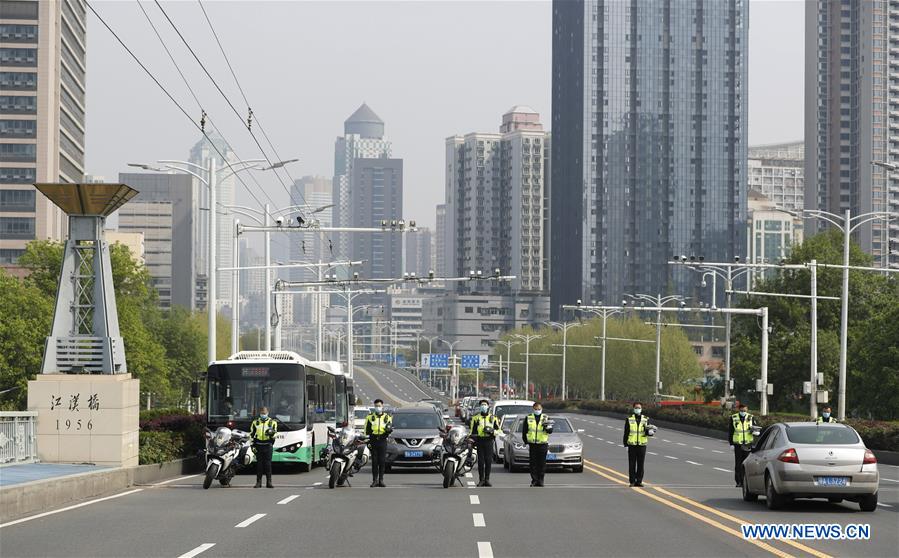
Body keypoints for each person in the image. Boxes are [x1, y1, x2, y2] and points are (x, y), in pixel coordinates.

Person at [521, 402, 553, 487]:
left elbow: (550, 431)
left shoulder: (546, 418)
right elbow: (524, 431)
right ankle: (534, 480)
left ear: (541, 409)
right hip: (532, 444)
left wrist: (547, 427)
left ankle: (541, 480)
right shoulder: (528, 418)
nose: (537, 410)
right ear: (533, 409)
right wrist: (526, 442)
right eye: (536, 409)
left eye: (539, 409)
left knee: (542, 463)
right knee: (533, 464)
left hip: (542, 444)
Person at [469, 399, 500, 487]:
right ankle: (481, 479)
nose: (483, 406)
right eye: (482, 405)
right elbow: (472, 431)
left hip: (489, 441)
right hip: (480, 441)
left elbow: (498, 430)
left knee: (488, 461)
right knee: (481, 461)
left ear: (488, 406)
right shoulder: (476, 418)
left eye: (485, 405)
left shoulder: (493, 418)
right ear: (480, 407)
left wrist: (492, 432)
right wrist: (472, 440)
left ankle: (487, 479)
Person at [364, 399, 393, 488]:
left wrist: (388, 431)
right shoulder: (370, 417)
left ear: (382, 406)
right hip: (373, 440)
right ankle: (374, 480)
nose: (378, 407)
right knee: (374, 462)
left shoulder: (387, 417)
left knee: (382, 461)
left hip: (382, 440)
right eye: (376, 406)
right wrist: (367, 441)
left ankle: (381, 480)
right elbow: (366, 430)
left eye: (379, 406)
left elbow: (390, 428)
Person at [622, 401, 649, 487]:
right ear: (633, 409)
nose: (638, 409)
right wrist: (625, 444)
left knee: (641, 464)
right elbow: (626, 432)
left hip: (642, 445)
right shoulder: (629, 419)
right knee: (632, 464)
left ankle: (639, 481)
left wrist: (651, 432)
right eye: (636, 408)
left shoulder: (646, 419)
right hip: (632, 445)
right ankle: (632, 481)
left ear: (642, 409)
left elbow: (648, 431)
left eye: (639, 408)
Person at [250, 406, 277, 488]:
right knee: (259, 465)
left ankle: (269, 482)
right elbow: (251, 434)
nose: (263, 414)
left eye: (264, 413)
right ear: (260, 413)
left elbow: (275, 433)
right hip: (258, 445)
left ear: (267, 413)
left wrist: (271, 434)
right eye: (262, 413)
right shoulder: (255, 422)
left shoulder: (272, 422)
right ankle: (258, 482)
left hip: (268, 445)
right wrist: (252, 445)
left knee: (268, 464)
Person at [729, 403, 755, 488]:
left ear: (747, 410)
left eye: (744, 410)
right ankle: (739, 482)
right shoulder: (733, 418)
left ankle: (746, 482)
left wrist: (756, 432)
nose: (743, 412)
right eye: (741, 410)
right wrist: (731, 444)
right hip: (738, 445)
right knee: (738, 464)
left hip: (748, 444)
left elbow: (755, 429)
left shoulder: (751, 417)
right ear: (738, 410)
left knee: (746, 464)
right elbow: (731, 432)